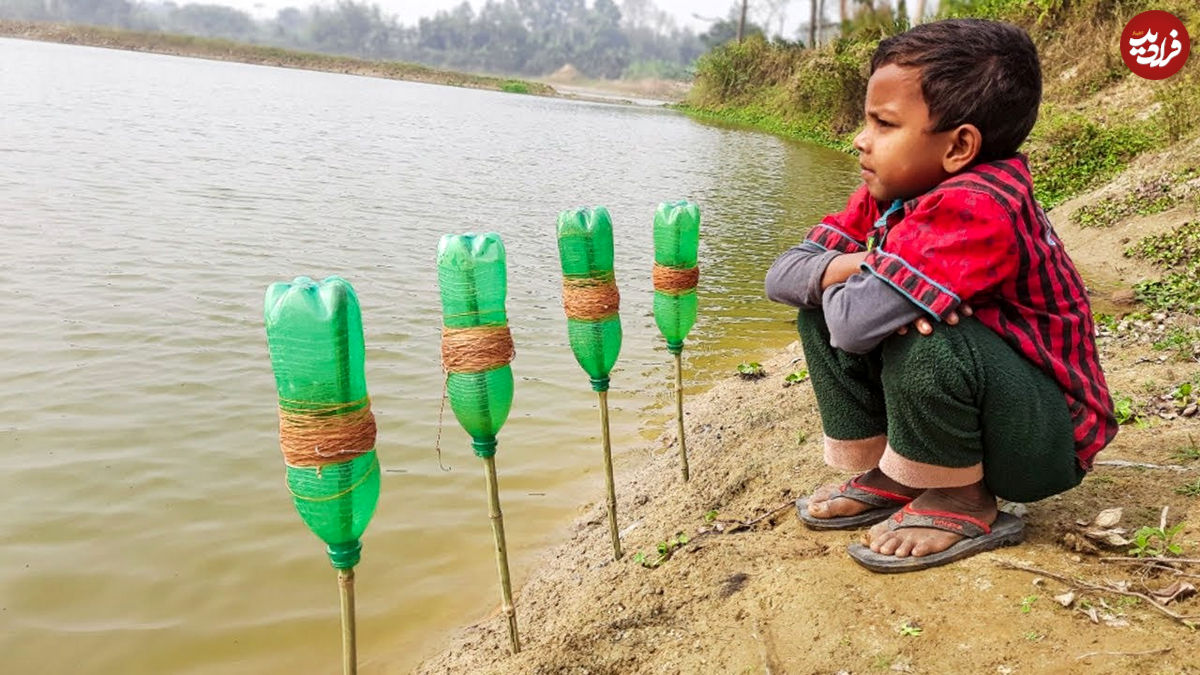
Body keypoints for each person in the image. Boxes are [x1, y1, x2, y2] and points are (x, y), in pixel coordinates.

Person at [764, 18, 1117, 573]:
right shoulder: (891, 191)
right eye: (867, 120)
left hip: (1044, 437)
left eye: (883, 124)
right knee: (841, 311)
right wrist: (870, 268)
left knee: (924, 336)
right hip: (996, 409)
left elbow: (855, 323)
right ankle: (897, 474)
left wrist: (863, 289)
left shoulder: (977, 205)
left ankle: (960, 496)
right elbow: (781, 275)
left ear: (959, 146)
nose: (860, 139)